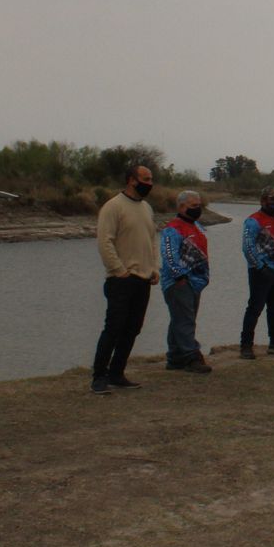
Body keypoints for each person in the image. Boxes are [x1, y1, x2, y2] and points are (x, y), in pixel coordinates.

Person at [90, 164, 161, 394]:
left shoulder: (147, 208)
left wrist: (153, 267)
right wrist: (118, 269)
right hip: (121, 279)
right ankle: (98, 377)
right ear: (132, 180)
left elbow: (151, 239)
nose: (150, 183)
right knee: (113, 328)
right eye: (146, 179)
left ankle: (117, 373)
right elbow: (105, 241)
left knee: (133, 328)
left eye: (151, 179)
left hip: (143, 278)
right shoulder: (113, 207)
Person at [240, 187, 274, 359]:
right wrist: (260, 267)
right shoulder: (252, 221)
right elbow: (247, 247)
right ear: (263, 201)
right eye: (273, 200)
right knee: (255, 307)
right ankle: (246, 346)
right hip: (260, 272)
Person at [161, 190, 212, 373]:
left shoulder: (197, 226)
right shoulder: (172, 229)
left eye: (199, 205)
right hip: (179, 283)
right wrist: (179, 277)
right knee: (185, 321)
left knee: (180, 320)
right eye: (193, 206)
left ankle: (174, 358)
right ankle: (192, 357)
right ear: (181, 207)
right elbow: (169, 256)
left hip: (196, 282)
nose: (198, 209)